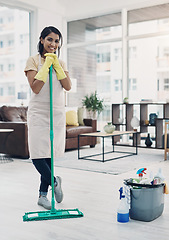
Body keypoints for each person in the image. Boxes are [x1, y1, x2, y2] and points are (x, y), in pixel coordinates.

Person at [24, 26, 71, 210]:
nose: (53, 44)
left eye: (57, 41)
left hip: (56, 111)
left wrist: (56, 65)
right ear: (42, 39)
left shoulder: (61, 62)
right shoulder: (33, 60)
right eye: (50, 39)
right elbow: (35, 87)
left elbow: (67, 86)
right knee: (37, 155)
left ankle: (42, 196)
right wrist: (46, 66)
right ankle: (55, 182)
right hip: (38, 112)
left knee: (48, 155)